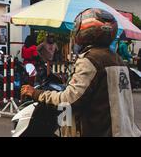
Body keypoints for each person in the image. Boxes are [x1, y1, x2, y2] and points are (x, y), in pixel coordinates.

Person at [21, 8, 141, 137]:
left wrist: (36, 93)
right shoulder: (117, 59)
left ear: (84, 32)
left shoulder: (90, 60)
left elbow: (69, 100)